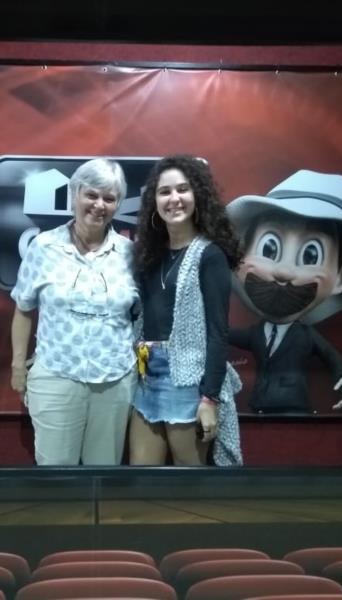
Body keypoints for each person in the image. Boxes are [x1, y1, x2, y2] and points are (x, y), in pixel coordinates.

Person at [225, 169, 342, 414]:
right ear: (240, 257)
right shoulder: (255, 333)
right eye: (269, 248)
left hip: (294, 408)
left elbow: (329, 355)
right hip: (258, 406)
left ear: (340, 278)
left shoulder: (306, 336)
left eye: (311, 255)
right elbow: (224, 335)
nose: (284, 271)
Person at [9, 158, 139, 465]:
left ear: (118, 204)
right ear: (74, 194)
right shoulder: (43, 247)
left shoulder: (130, 254)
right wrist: (18, 366)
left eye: (109, 198)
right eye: (91, 195)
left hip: (115, 381)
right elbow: (23, 309)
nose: (99, 205)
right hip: (56, 376)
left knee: (103, 472)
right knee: (56, 473)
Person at [129, 154, 244, 466]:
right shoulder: (147, 255)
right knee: (141, 478)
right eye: (164, 192)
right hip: (145, 376)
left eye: (183, 189)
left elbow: (218, 333)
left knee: (188, 484)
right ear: (154, 201)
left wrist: (209, 398)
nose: (174, 199)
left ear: (198, 196)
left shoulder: (210, 255)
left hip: (187, 381)